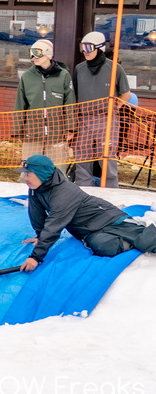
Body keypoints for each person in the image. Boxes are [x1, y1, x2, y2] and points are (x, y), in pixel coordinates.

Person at [19, 154, 156, 271]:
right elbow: (36, 214)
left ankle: (138, 232)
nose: (25, 178)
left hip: (108, 218)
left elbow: (53, 225)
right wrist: (40, 236)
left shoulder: (64, 193)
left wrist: (35, 257)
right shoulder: (37, 189)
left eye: (28, 174)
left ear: (42, 174)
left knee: (145, 241)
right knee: (105, 248)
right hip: (88, 230)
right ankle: (126, 241)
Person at [72, 31, 130, 188]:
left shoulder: (114, 68)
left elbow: (126, 94)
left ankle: (111, 190)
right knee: (82, 156)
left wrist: (115, 107)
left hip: (106, 119)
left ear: (99, 48)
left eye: (88, 48)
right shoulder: (79, 68)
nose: (85, 52)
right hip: (84, 119)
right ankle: (84, 188)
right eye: (82, 47)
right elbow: (75, 94)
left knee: (106, 157)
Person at [14, 38, 75, 170]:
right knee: (29, 172)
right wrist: (18, 130)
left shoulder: (63, 76)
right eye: (31, 53)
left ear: (47, 53)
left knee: (57, 171)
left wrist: (70, 128)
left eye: (37, 53)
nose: (33, 57)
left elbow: (69, 103)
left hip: (56, 134)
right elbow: (20, 105)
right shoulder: (27, 77)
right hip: (32, 133)